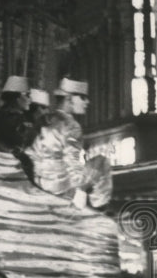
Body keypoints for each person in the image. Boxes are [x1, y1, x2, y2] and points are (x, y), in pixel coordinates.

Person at [24, 78, 112, 208]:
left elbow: (30, 152)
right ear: (70, 99)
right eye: (82, 97)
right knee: (102, 161)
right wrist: (80, 189)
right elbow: (73, 164)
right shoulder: (71, 125)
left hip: (39, 180)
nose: (87, 102)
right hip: (61, 185)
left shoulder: (43, 120)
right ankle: (99, 208)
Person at [0, 75, 31, 150]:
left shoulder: (1, 113)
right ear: (17, 98)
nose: (30, 100)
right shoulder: (10, 117)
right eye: (27, 95)